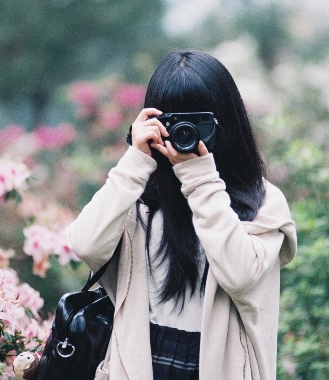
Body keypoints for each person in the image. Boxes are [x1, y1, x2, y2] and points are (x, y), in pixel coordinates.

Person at [65, 51, 297, 380]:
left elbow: (240, 274)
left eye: (197, 122)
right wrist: (134, 160)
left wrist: (200, 179)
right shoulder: (139, 196)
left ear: (224, 122)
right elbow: (85, 244)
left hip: (220, 366)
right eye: (173, 122)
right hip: (141, 362)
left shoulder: (263, 202)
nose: (185, 133)